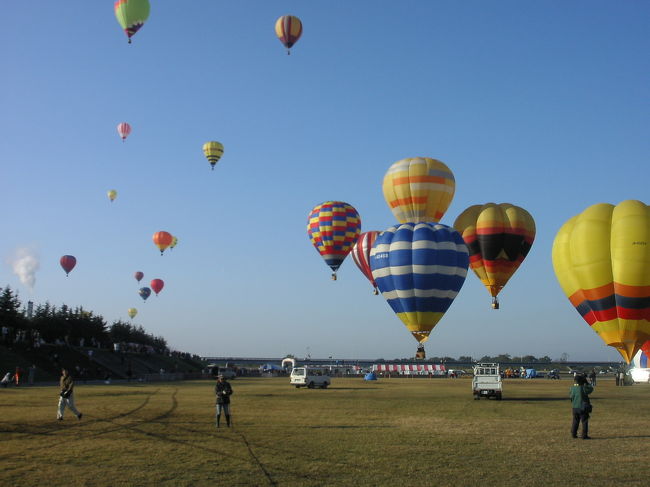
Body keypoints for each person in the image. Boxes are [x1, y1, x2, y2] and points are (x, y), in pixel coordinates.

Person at [569, 374, 593, 439]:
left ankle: (573, 434)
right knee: (584, 421)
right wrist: (587, 383)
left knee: (575, 421)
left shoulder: (572, 388)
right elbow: (591, 389)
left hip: (574, 407)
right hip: (582, 407)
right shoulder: (583, 388)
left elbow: (571, 397)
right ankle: (584, 435)